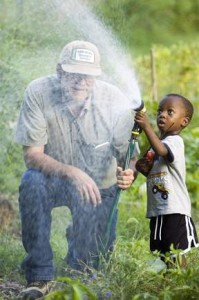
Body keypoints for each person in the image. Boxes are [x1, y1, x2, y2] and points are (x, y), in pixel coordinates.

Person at [15, 40, 139, 299]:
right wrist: (73, 172)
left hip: (99, 187)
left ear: (98, 76)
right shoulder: (38, 91)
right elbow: (32, 155)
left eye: (89, 76)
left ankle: (78, 265)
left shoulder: (114, 100)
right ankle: (40, 275)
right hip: (54, 179)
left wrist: (128, 172)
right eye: (74, 74)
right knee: (31, 182)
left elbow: (129, 157)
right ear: (60, 71)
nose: (81, 82)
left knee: (89, 268)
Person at [135, 93, 198, 268]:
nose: (162, 115)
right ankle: (167, 282)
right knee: (162, 250)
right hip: (158, 210)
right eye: (160, 111)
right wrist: (144, 169)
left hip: (175, 210)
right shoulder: (158, 144)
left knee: (176, 252)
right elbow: (158, 173)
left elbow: (163, 151)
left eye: (170, 112)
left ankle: (179, 282)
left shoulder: (175, 142)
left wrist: (147, 127)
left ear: (183, 122)